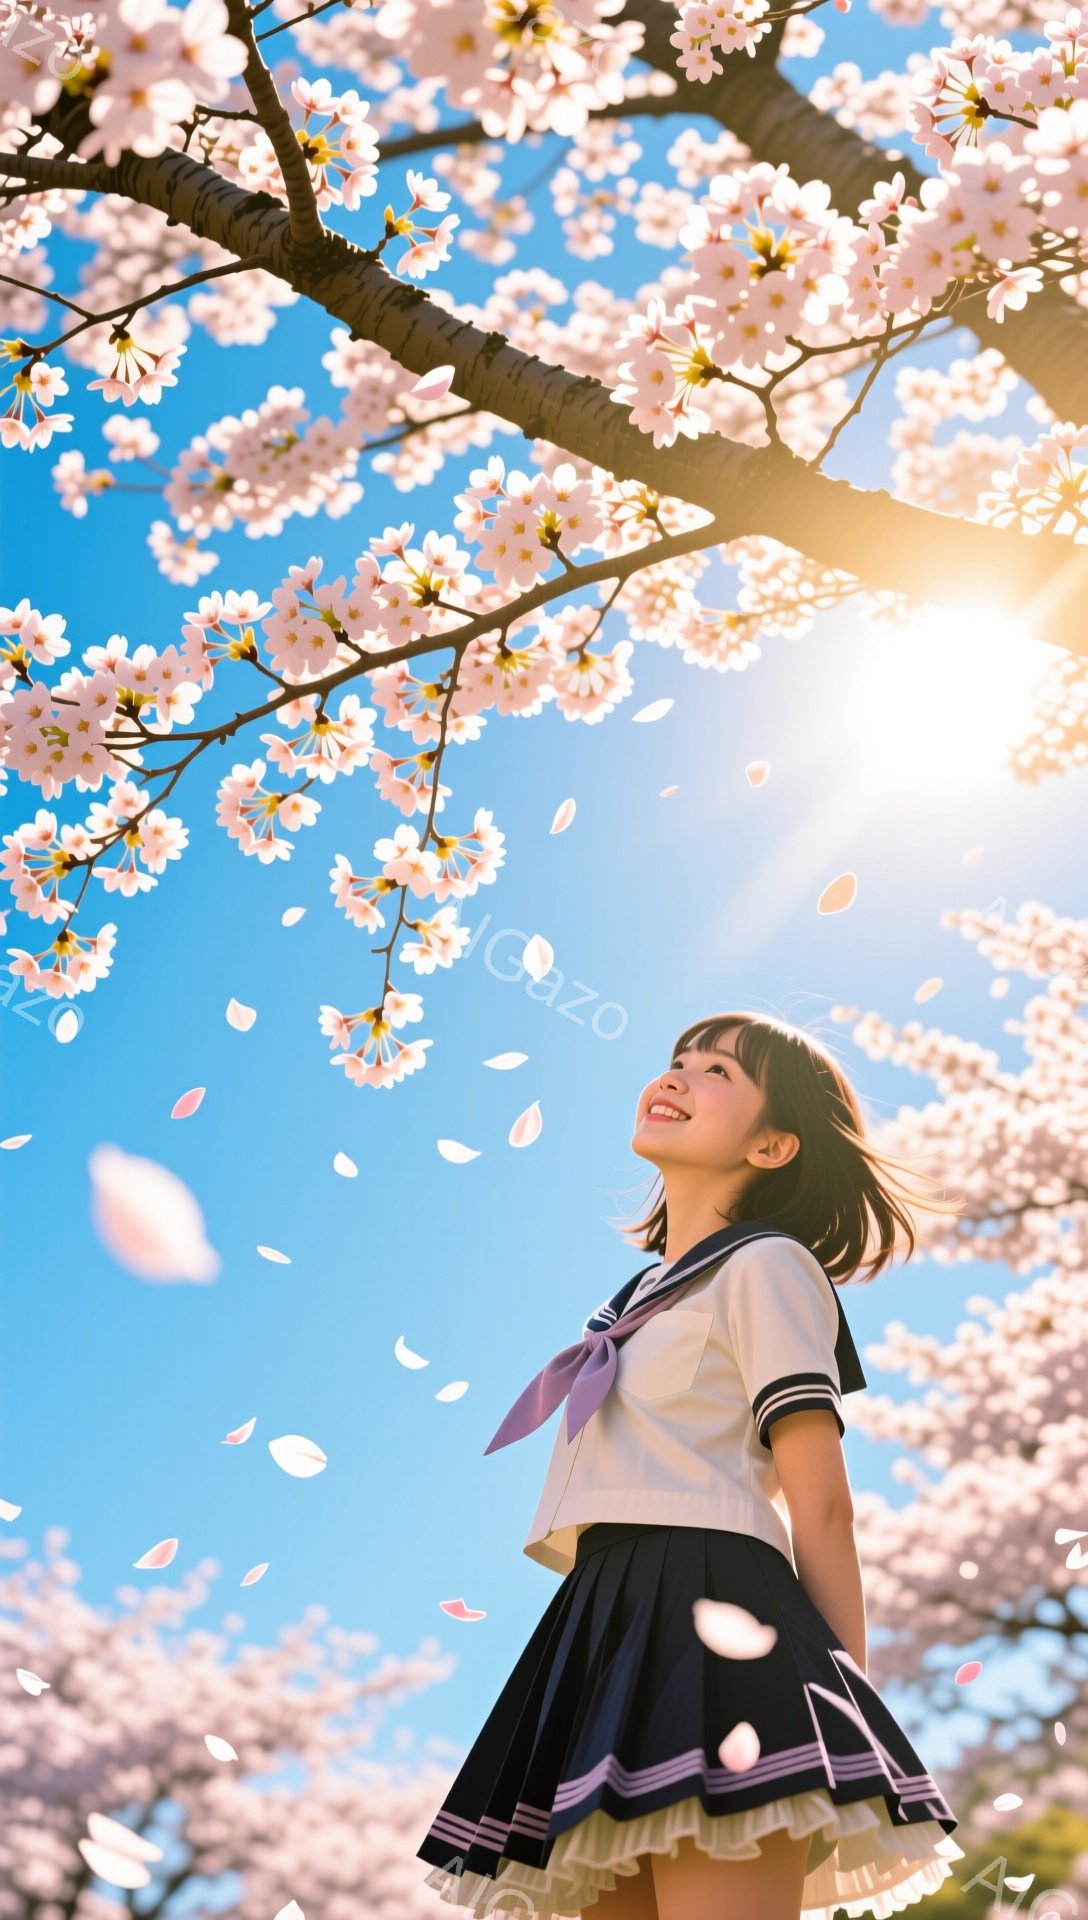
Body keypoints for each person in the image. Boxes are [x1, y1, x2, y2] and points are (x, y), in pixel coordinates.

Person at [415, 1010, 968, 1919]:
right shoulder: (629, 1303)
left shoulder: (770, 1266)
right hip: (601, 1625)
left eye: (716, 1072)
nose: (675, 1076)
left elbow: (822, 1508)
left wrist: (844, 1710)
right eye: (676, 1061)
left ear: (776, 1145)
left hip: (717, 1611)